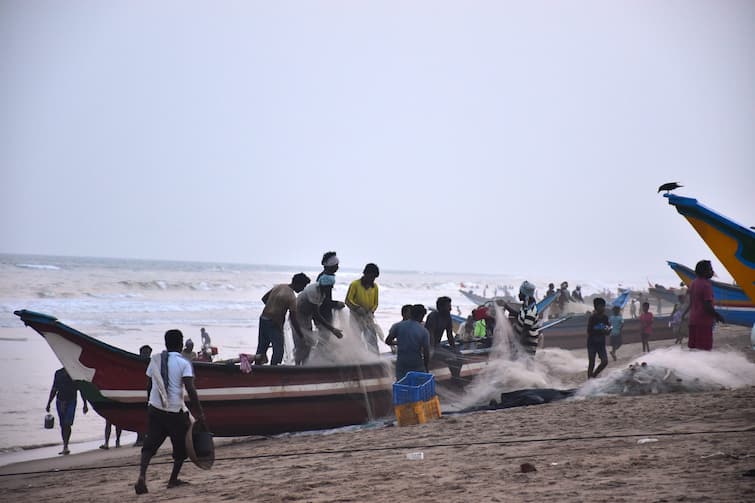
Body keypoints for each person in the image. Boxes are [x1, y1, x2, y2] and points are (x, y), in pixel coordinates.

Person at [134, 329, 206, 495]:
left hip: (155, 409)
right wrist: (200, 414)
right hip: (175, 411)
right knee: (182, 447)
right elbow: (190, 389)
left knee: (149, 445)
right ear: (181, 344)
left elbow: (149, 385)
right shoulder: (183, 363)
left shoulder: (155, 360)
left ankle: (142, 476)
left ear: (166, 343)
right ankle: (173, 480)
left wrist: (150, 406)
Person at [255, 273, 310, 365]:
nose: (303, 289)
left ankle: (256, 369)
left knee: (262, 347)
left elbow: (264, 299)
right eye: (303, 286)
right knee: (278, 350)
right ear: (298, 284)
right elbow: (293, 319)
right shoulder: (291, 297)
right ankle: (273, 371)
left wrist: (273, 306)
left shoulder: (279, 287)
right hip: (274, 323)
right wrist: (301, 336)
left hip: (263, 319)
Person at [293, 274, 344, 365]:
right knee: (301, 342)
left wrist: (322, 325)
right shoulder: (313, 291)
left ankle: (305, 365)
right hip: (298, 315)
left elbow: (315, 312)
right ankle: (297, 366)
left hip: (307, 315)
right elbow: (316, 314)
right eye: (329, 287)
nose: (331, 288)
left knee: (308, 343)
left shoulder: (322, 292)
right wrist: (332, 329)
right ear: (324, 285)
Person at [683, 259, 725, 351]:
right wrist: (717, 316)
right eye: (710, 269)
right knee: (704, 349)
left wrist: (684, 314)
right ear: (704, 271)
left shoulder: (693, 283)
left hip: (693, 320)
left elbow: (691, 302)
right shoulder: (706, 285)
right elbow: (707, 305)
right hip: (703, 322)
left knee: (693, 349)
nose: (712, 271)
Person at [46, 367, 88, 455]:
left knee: (67, 423)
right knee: (62, 425)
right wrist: (49, 403)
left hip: (71, 401)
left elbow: (81, 390)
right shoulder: (58, 373)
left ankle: (66, 445)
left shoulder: (75, 373)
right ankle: (65, 445)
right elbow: (54, 389)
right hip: (60, 401)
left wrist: (85, 404)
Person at [385, 304, 431, 380]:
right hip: (416, 363)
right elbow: (426, 352)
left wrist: (399, 342)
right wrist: (426, 367)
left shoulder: (398, 326)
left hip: (402, 362)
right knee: (417, 385)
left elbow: (388, 341)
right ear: (421, 315)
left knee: (402, 384)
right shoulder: (423, 331)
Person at [345, 263, 381, 353]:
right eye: (371, 276)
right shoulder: (354, 284)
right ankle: (357, 358)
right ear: (365, 273)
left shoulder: (375, 287)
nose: (372, 279)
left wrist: (371, 310)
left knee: (372, 339)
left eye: (374, 278)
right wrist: (357, 308)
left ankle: (375, 358)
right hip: (355, 317)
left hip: (368, 318)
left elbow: (376, 303)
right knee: (356, 339)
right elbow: (348, 300)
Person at [513, 281, 542, 357]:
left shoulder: (531, 311)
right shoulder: (525, 306)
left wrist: (517, 348)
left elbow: (525, 332)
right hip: (523, 342)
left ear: (526, 295)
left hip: (528, 344)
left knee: (526, 365)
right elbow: (520, 315)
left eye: (520, 293)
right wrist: (506, 306)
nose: (519, 295)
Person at [315, 251, 344, 325]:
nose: (338, 267)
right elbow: (325, 300)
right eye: (336, 265)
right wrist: (336, 303)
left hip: (318, 309)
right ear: (331, 266)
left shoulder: (322, 275)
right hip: (323, 311)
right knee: (326, 333)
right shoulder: (327, 278)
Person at [586, 297, 611, 379]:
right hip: (592, 343)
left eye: (604, 306)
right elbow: (589, 331)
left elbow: (608, 329)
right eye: (601, 306)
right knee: (592, 362)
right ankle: (589, 379)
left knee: (605, 361)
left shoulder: (605, 318)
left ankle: (594, 375)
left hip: (601, 343)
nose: (603, 308)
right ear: (596, 307)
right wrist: (601, 331)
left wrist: (608, 330)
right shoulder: (593, 318)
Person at [134, 344, 152, 447]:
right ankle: (139, 438)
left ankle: (144, 438)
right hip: (139, 393)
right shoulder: (136, 363)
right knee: (140, 417)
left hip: (148, 395)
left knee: (147, 418)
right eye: (144, 352)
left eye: (147, 353)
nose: (146, 355)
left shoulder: (152, 364)